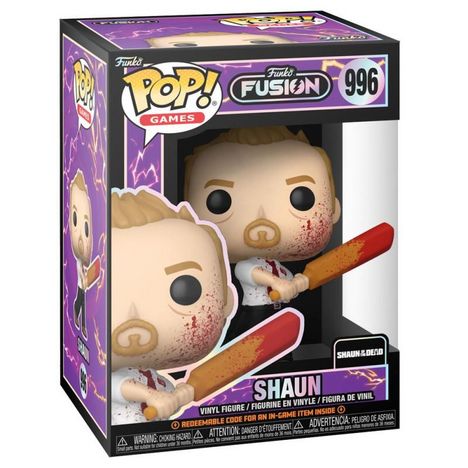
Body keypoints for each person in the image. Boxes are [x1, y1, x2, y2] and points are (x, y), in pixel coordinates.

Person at [184, 126, 341, 340]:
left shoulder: (279, 269)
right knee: (250, 343)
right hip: (256, 314)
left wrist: (299, 283)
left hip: (280, 314)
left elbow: (289, 284)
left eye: (302, 197)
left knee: (283, 344)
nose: (261, 224)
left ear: (334, 208)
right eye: (219, 202)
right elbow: (254, 274)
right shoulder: (247, 266)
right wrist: (277, 283)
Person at [111, 189, 236, 424]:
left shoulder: (162, 383)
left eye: (186, 290)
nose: (135, 318)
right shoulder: (123, 379)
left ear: (226, 301)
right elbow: (121, 387)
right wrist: (153, 397)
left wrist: (178, 396)